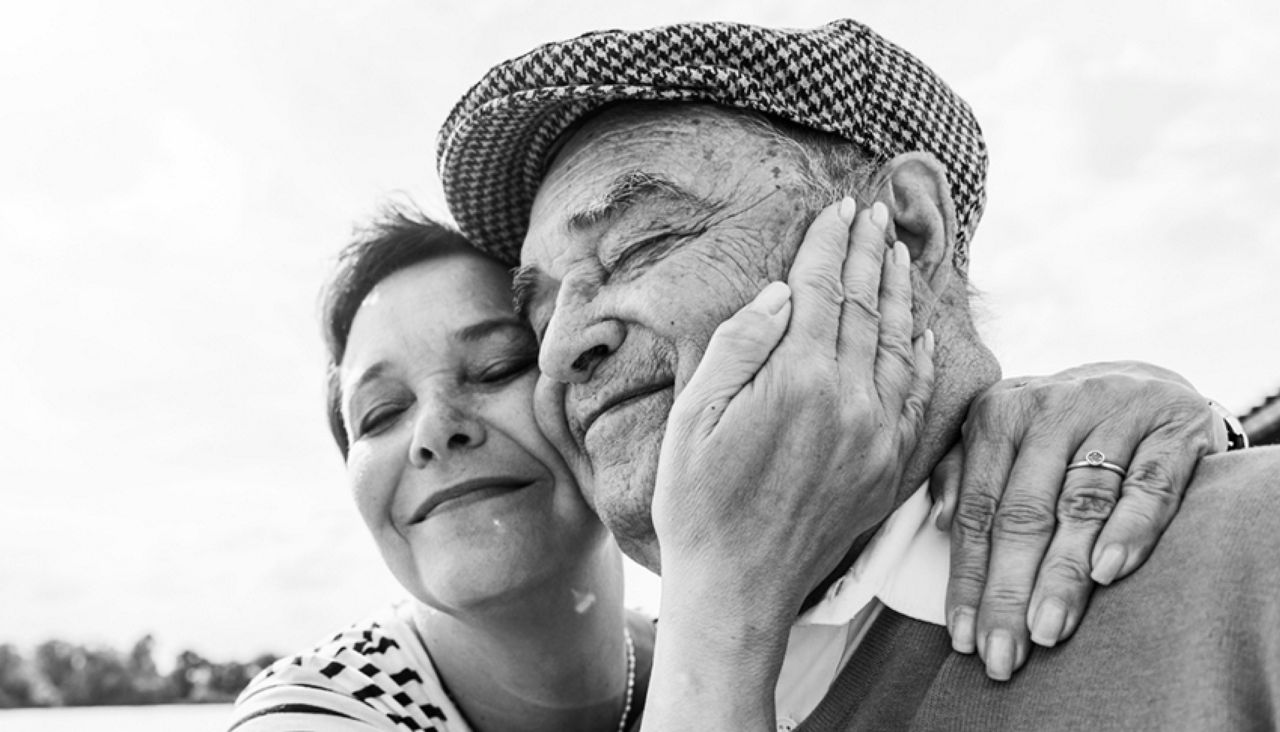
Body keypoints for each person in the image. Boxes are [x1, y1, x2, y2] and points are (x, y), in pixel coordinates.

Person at [434, 18, 1276, 730]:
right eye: (537, 315)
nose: (562, 347)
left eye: (641, 244)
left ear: (906, 234)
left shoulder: (1251, 560)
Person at [232, 205, 1226, 732]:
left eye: (493, 366)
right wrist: (726, 595)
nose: (432, 431)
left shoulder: (750, 650)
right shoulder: (314, 717)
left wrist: (1124, 415)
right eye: (377, 413)